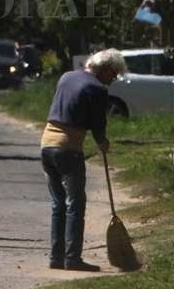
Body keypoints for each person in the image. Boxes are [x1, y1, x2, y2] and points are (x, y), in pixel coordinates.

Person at [39, 48, 126, 272]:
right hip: (68, 147)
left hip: (47, 144)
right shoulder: (96, 88)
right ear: (105, 69)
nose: (114, 78)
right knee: (75, 204)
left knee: (58, 203)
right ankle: (72, 258)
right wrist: (102, 142)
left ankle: (56, 257)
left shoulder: (67, 76)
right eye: (114, 73)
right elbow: (98, 123)